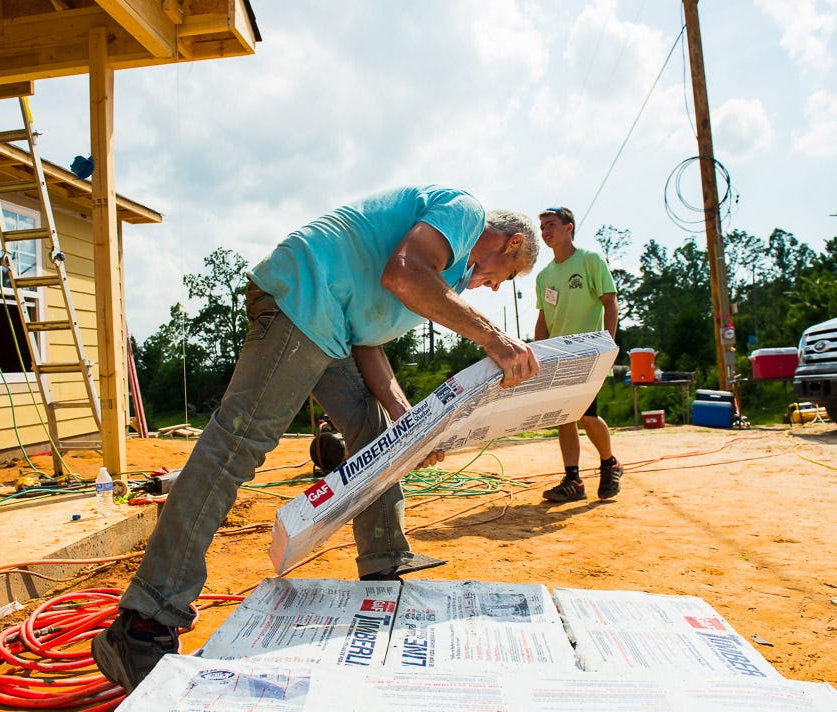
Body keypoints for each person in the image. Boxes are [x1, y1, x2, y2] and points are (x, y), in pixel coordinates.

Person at [92, 184, 540, 693]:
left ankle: (383, 564)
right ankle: (143, 621)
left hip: (333, 326)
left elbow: (367, 341)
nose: (496, 288)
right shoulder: (465, 212)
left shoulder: (444, 269)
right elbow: (403, 273)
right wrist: (496, 337)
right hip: (303, 298)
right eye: (508, 276)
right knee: (235, 449)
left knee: (376, 432)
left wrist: (403, 415)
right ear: (509, 245)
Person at [533, 206, 623, 502]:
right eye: (543, 226)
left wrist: (608, 345)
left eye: (552, 225)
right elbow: (544, 318)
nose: (546, 231)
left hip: (589, 353)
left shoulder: (589, 260)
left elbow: (609, 302)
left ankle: (610, 464)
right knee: (565, 417)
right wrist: (539, 354)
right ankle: (573, 481)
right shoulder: (545, 275)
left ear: (569, 227)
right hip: (558, 357)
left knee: (586, 414)